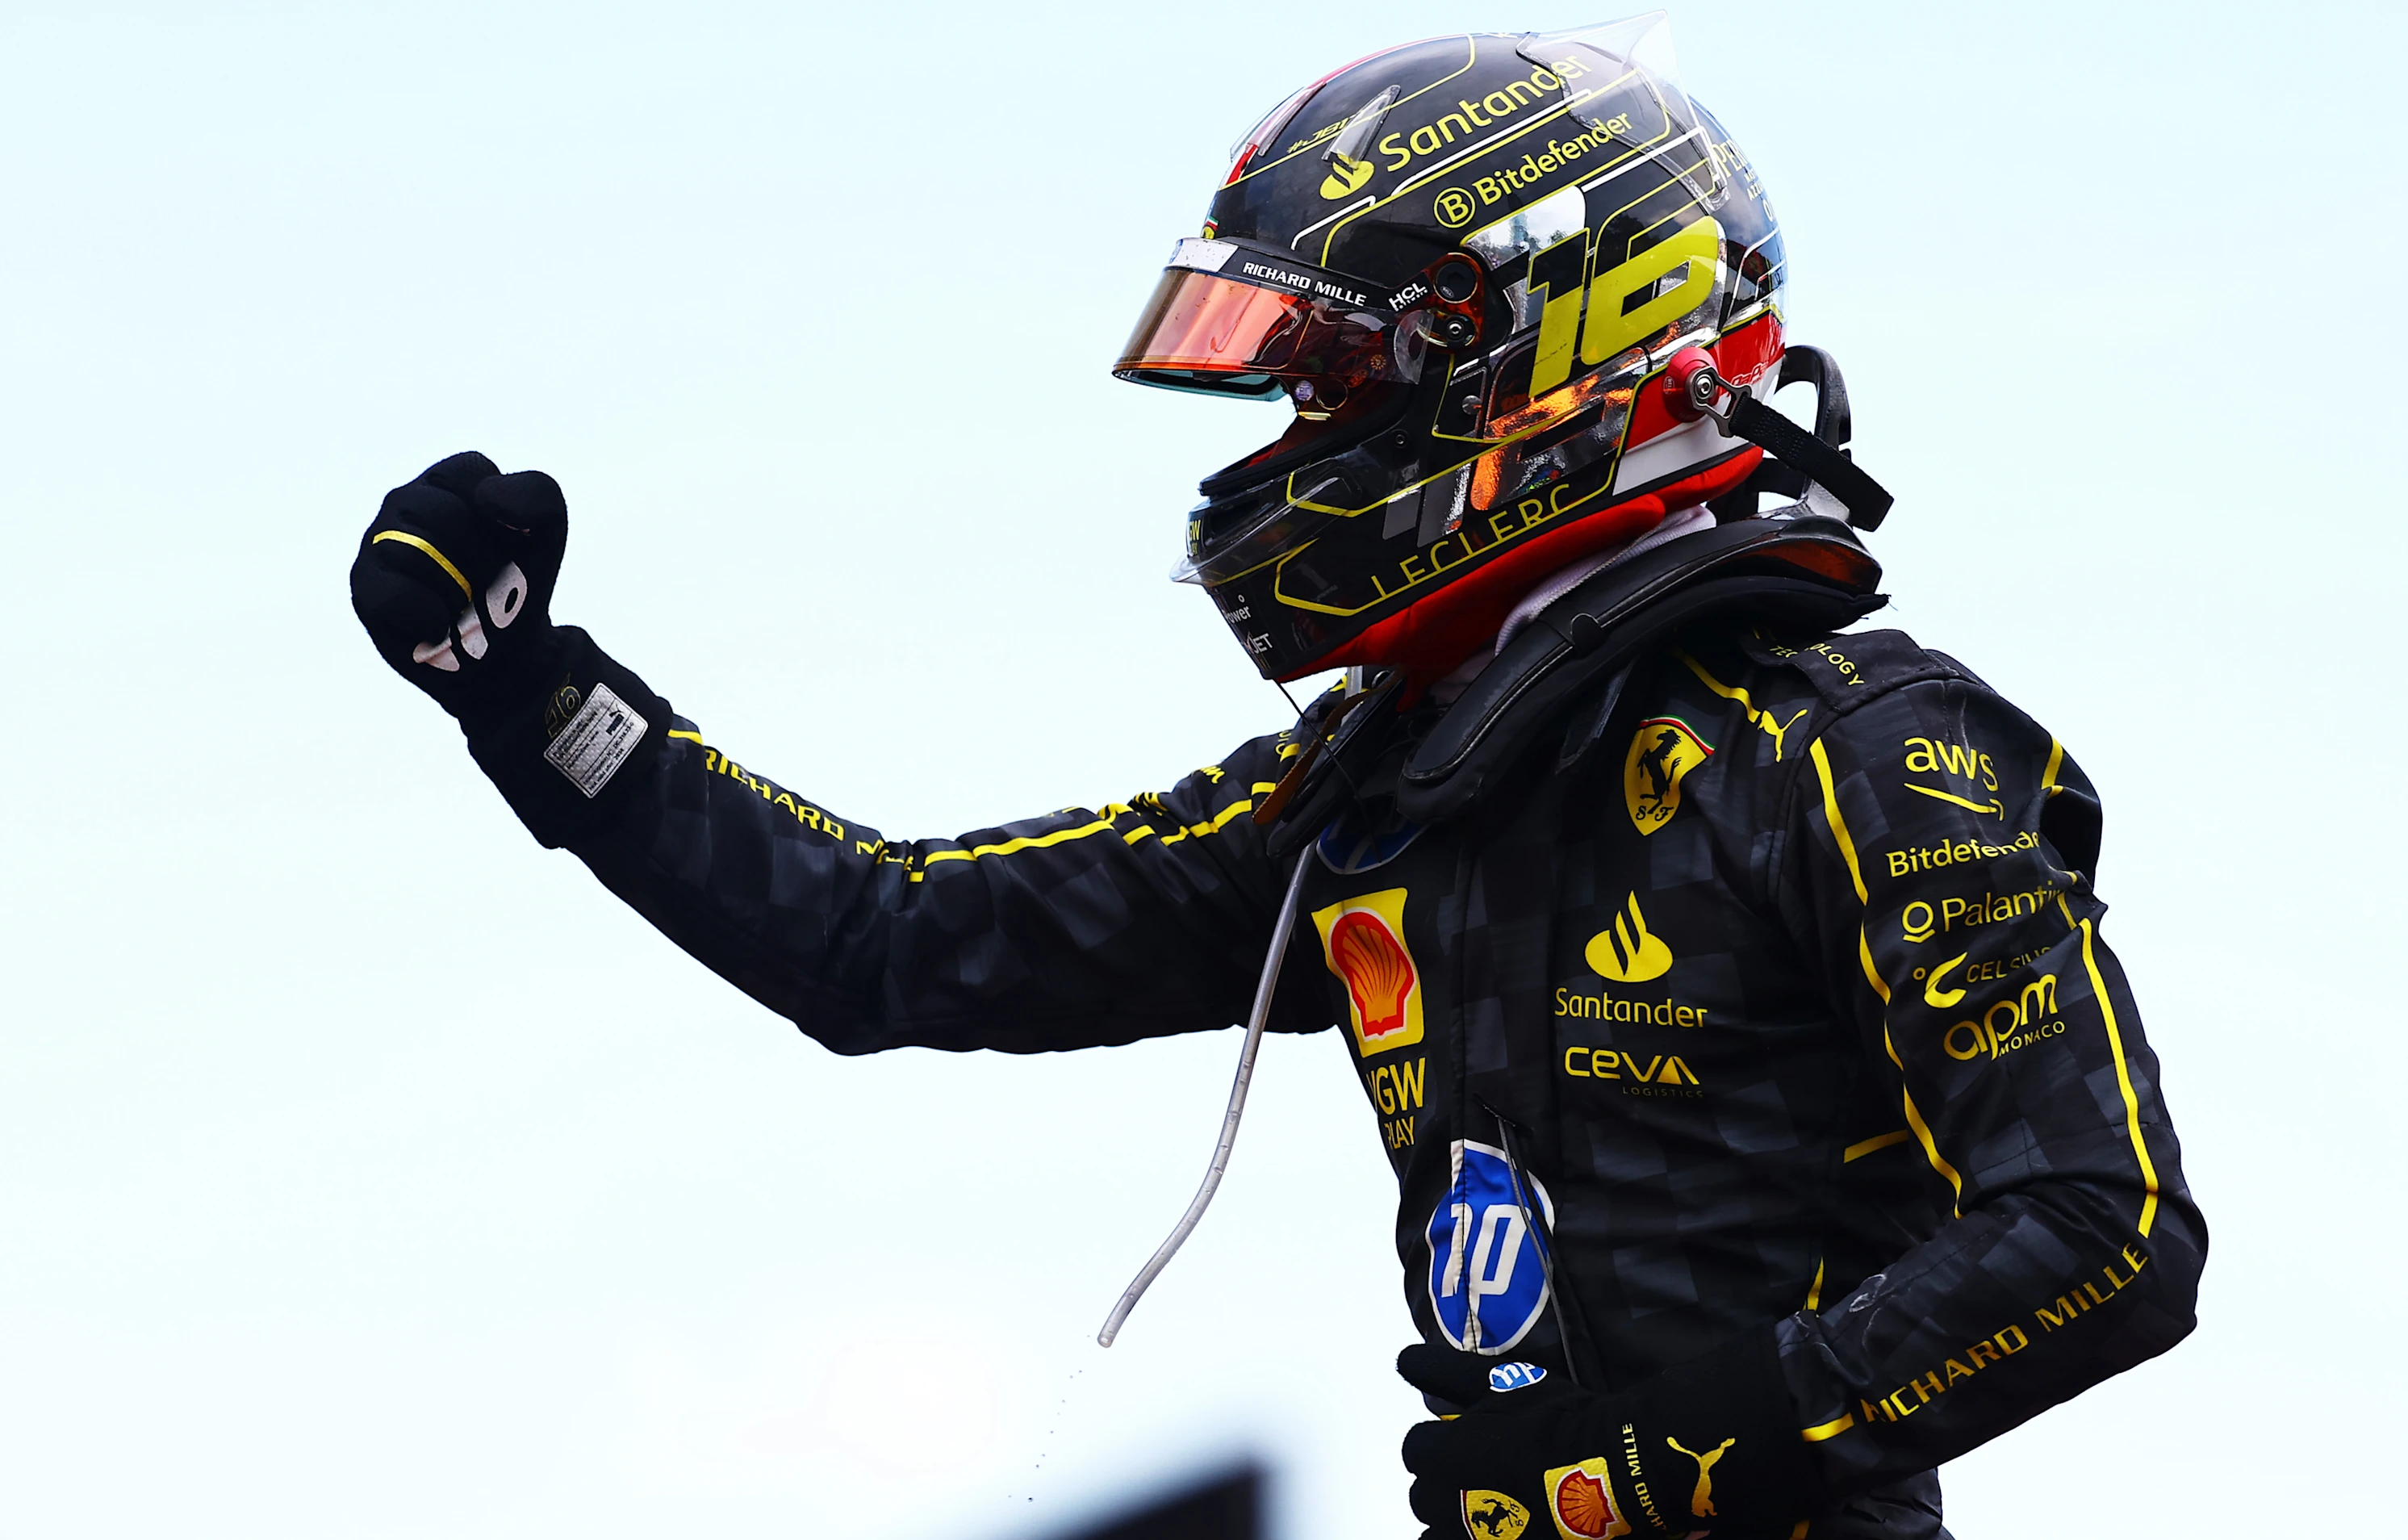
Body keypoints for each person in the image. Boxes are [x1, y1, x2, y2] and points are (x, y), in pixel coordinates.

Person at [348, 20, 2202, 1540]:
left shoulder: (1865, 745)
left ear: (1526, 347)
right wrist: (533, 700)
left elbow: (2102, 1232)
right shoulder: (1378, 790)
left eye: (1324, 374)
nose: (1297, 437)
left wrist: (1670, 1467)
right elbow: (888, 943)